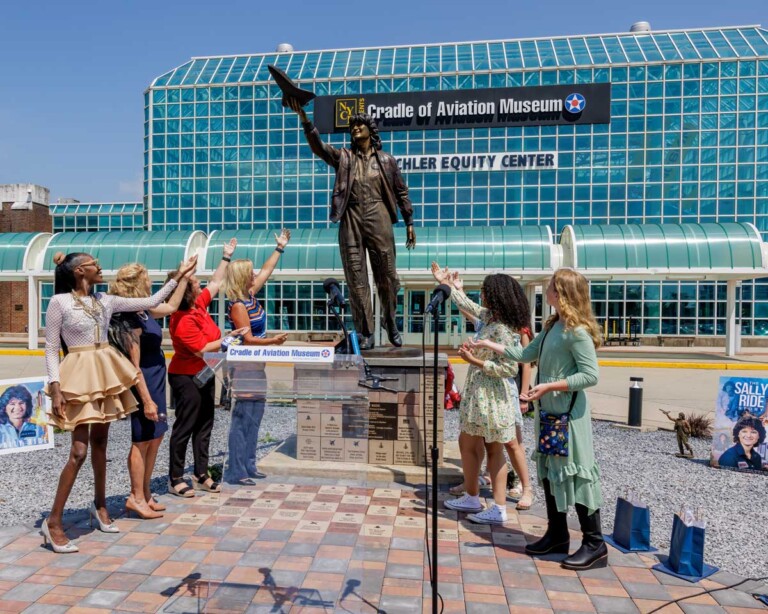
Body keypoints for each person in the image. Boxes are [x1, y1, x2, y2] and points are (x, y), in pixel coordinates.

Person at [43, 252, 189, 553]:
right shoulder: (59, 302)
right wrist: (55, 388)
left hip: (103, 371)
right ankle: (53, 520)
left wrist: (179, 276)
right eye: (95, 263)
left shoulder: (106, 300)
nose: (101, 267)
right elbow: (51, 348)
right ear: (80, 271)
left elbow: (150, 301)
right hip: (78, 373)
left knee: (100, 444)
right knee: (79, 450)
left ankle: (100, 507)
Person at [472, 268, 604, 570]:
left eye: (552, 286)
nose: (548, 289)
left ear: (564, 293)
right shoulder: (553, 326)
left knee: (578, 474)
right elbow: (523, 353)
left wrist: (549, 385)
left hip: (569, 417)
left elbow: (590, 375)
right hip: (549, 415)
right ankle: (557, 535)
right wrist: (490, 345)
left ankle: (595, 544)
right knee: (550, 473)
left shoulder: (577, 332)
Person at [287, 97, 416, 350]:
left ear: (370, 130)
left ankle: (390, 322)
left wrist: (409, 220)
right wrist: (306, 121)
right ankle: (365, 331)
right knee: (356, 278)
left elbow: (401, 191)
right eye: (352, 126)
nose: (355, 128)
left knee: (388, 276)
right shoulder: (344, 158)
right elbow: (320, 148)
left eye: (360, 125)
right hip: (351, 218)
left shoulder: (387, 161)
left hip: (379, 214)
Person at [432, 263, 535, 511]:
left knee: (495, 447)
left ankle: (497, 506)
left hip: (492, 395)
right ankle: (473, 496)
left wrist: (474, 360)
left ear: (496, 296)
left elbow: (510, 368)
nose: (483, 295)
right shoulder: (491, 319)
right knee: (470, 443)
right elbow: (468, 305)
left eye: (485, 291)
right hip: (479, 393)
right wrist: (445, 284)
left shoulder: (502, 328)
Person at [108, 256, 197, 519]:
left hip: (156, 376)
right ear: (137, 284)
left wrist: (181, 277)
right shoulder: (128, 317)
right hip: (143, 381)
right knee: (141, 439)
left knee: (155, 437)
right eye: (147, 280)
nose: (150, 283)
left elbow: (170, 306)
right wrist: (146, 400)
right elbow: (133, 366)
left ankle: (145, 493)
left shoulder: (144, 310)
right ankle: (135, 497)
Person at [167, 239, 249, 498]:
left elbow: (215, 282)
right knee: (185, 425)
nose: (200, 285)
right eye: (194, 284)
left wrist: (226, 256)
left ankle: (201, 473)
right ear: (184, 291)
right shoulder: (181, 320)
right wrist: (227, 339)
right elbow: (202, 349)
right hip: (186, 377)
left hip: (204, 373)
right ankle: (175, 477)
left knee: (205, 424)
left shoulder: (198, 305)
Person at [222, 230, 291, 485]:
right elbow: (248, 339)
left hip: (257, 367)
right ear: (242, 277)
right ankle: (237, 470)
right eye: (250, 271)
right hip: (244, 369)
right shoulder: (239, 305)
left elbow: (266, 270)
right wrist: (274, 341)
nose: (254, 274)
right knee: (242, 420)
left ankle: (249, 464)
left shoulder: (250, 295)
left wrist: (279, 248)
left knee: (255, 418)